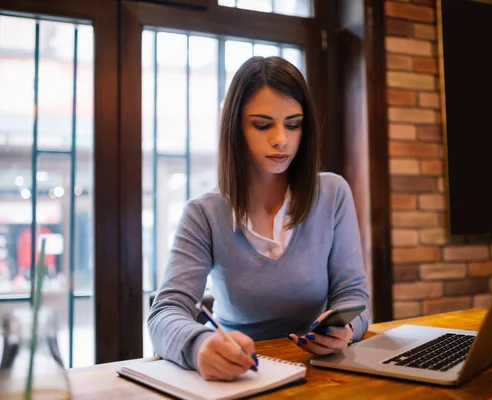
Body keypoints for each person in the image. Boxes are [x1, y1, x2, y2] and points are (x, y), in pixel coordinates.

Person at [148, 55, 370, 382]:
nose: (281, 138)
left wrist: (347, 330)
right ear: (235, 127)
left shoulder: (333, 193)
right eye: (263, 124)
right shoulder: (204, 213)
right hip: (241, 374)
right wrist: (199, 344)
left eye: (293, 124)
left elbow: (353, 293)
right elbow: (165, 312)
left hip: (321, 373)